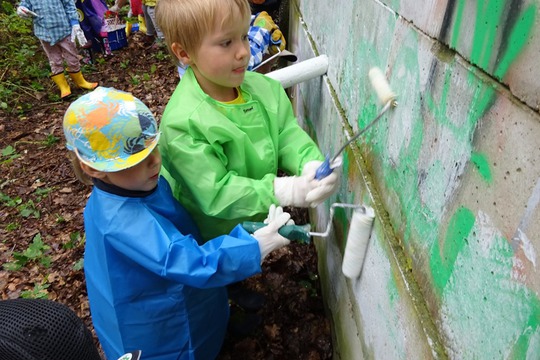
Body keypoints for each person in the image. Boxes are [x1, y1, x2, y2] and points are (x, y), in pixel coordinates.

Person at [63, 86, 292, 360]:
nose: (156, 162)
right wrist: (254, 246)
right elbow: (188, 261)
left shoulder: (131, 185)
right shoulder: (122, 222)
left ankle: (220, 329)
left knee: (202, 312)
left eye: (153, 147)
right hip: (154, 323)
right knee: (181, 343)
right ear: (95, 169)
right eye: (140, 159)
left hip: (175, 284)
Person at [155, 0, 340, 243]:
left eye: (243, 35)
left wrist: (308, 162)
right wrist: (283, 190)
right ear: (184, 53)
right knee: (222, 277)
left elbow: (285, 133)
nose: (244, 51)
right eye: (226, 42)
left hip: (253, 216)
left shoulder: (263, 89)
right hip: (210, 235)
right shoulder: (183, 124)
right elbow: (216, 193)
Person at [16, 0, 98, 99]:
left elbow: (69, 5)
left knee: (72, 57)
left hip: (64, 29)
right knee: (54, 60)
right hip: (44, 32)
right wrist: (22, 9)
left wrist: (75, 23)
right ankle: (63, 87)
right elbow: (25, 5)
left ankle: (80, 82)